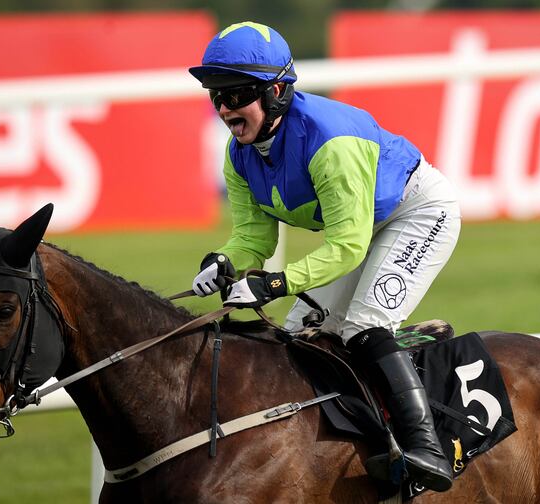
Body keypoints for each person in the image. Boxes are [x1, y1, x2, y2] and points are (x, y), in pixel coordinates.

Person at [188, 21, 460, 492]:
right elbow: (254, 238)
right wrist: (224, 260)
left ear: (275, 92)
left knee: (363, 325)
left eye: (236, 95)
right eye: (216, 96)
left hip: (417, 212)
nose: (224, 109)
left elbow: (347, 247)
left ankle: (425, 446)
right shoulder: (239, 154)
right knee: (296, 337)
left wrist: (272, 284)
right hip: (360, 226)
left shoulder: (330, 143)